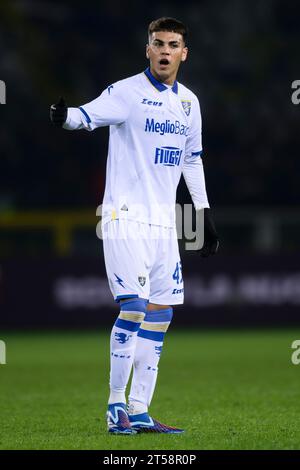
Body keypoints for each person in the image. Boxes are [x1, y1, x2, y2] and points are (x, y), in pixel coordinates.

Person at [50, 17, 219, 435]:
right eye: (158, 43)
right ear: (148, 49)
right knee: (135, 307)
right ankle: (115, 405)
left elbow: (191, 160)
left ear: (184, 52)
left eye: (173, 44)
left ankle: (140, 408)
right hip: (124, 217)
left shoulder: (189, 104)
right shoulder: (126, 93)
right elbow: (88, 115)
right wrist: (64, 116)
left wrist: (202, 213)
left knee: (161, 313)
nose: (164, 50)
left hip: (165, 223)